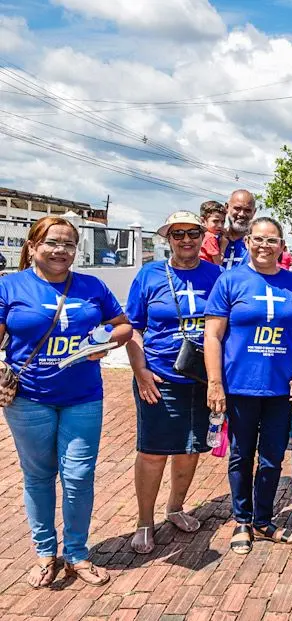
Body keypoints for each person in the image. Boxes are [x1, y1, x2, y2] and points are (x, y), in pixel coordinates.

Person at [0, 216, 132, 587]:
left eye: (69, 245)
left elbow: (124, 325)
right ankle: (45, 552)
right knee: (39, 476)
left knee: (78, 475)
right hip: (28, 399)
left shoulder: (92, 285)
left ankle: (76, 552)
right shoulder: (11, 287)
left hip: (83, 397)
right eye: (52, 243)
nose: (61, 251)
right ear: (32, 246)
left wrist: (105, 339)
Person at [204, 216, 292, 554]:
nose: (265, 246)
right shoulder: (230, 281)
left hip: (281, 388)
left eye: (272, 240)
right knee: (240, 455)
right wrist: (215, 382)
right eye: (259, 239)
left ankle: (263, 520)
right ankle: (242, 520)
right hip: (240, 386)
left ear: (282, 245)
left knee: (271, 458)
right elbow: (213, 334)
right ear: (248, 242)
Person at [125, 211, 223, 554]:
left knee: (191, 448)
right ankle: (144, 521)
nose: (186, 240)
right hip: (160, 376)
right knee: (152, 452)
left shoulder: (216, 274)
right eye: (178, 234)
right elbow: (132, 326)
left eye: (192, 233)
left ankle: (175, 507)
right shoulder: (150, 275)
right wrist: (140, 371)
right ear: (168, 238)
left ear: (202, 235)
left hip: (201, 377)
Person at [220, 189, 257, 270]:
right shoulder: (213, 239)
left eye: (247, 210)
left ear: (254, 212)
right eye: (237, 208)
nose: (241, 214)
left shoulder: (258, 245)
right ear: (226, 207)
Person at [199, 200, 228, 265]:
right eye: (215, 221)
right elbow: (218, 263)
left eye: (222, 222)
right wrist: (223, 246)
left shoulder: (200, 235)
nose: (220, 225)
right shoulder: (210, 237)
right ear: (203, 221)